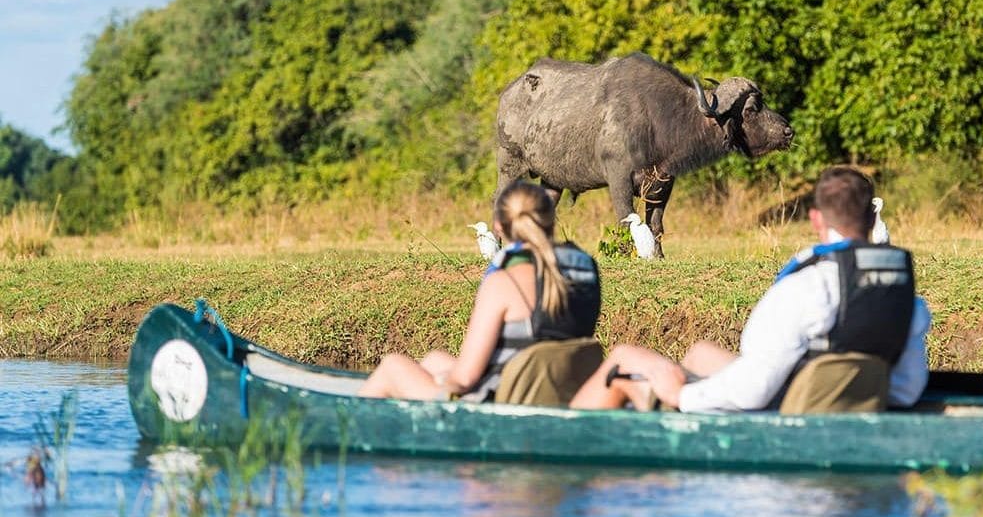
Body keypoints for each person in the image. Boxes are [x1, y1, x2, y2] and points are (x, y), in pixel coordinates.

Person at [570, 166, 932, 413]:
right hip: (834, 402)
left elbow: (755, 389)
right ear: (872, 219)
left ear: (816, 219)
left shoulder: (805, 287)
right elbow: (907, 387)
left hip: (785, 413)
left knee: (623, 359)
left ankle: (558, 454)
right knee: (699, 353)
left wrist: (682, 395)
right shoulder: (904, 295)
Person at [358, 181, 601, 400]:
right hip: (556, 393)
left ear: (499, 227)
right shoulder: (585, 271)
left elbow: (465, 379)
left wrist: (444, 382)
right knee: (434, 360)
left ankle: (345, 441)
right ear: (550, 220)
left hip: (501, 404)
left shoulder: (504, 282)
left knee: (392, 366)